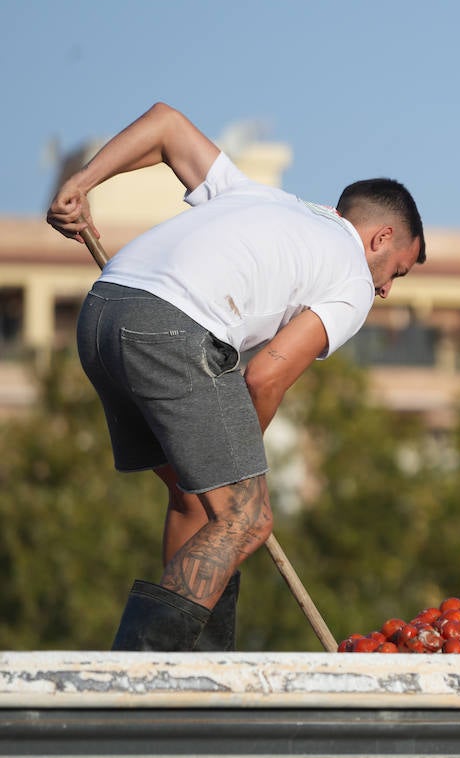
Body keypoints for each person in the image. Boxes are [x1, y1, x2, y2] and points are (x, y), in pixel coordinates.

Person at [46, 102, 425, 651]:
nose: (388, 288)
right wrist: (238, 457)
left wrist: (80, 183)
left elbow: (166, 125)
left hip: (103, 314)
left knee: (195, 498)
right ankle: (145, 673)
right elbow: (264, 378)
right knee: (247, 515)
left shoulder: (259, 196)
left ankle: (205, 663)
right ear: (380, 238)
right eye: (398, 271)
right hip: (173, 328)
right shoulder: (353, 278)